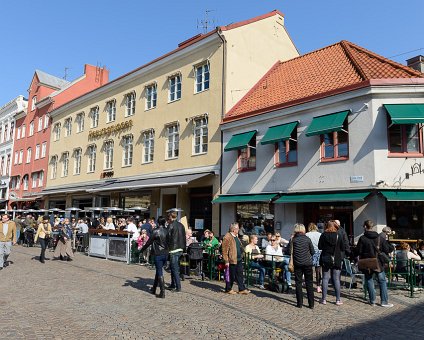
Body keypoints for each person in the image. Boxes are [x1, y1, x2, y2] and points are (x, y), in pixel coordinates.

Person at [356, 220, 394, 307]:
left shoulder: (362, 238)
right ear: (372, 227)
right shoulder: (380, 238)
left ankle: (372, 300)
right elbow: (388, 249)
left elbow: (358, 251)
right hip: (378, 263)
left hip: (367, 262)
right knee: (382, 281)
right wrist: (388, 241)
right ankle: (384, 301)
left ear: (365, 227)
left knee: (369, 280)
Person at [318, 220, 348, 305]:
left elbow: (320, 246)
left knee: (325, 278)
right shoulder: (339, 235)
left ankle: (323, 299)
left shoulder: (323, 235)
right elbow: (343, 247)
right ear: (335, 226)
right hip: (337, 258)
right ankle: (338, 299)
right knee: (336, 279)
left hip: (326, 257)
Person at [140, 216, 169, 298]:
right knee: (158, 270)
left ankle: (162, 292)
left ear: (158, 222)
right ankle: (154, 288)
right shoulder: (167, 231)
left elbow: (149, 242)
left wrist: (142, 250)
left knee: (159, 272)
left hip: (158, 253)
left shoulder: (155, 231)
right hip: (166, 253)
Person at [222, 222, 250, 294]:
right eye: (237, 228)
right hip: (232, 260)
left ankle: (241, 289)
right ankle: (228, 289)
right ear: (234, 229)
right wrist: (226, 261)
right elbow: (224, 251)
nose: (238, 230)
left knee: (240, 274)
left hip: (239, 259)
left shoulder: (236, 236)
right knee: (231, 275)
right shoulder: (227, 237)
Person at [292, 223, 315, 308]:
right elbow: (312, 252)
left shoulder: (293, 240)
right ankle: (311, 304)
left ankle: (300, 303)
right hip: (308, 263)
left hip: (297, 263)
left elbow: (288, 251)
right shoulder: (307, 239)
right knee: (309, 283)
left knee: (298, 283)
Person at [166, 212, 186, 292]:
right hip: (180, 249)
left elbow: (167, 237)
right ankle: (172, 284)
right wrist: (184, 249)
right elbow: (184, 237)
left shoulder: (170, 225)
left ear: (171, 217)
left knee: (174, 269)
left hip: (173, 249)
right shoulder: (181, 225)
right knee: (174, 268)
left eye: (168, 217)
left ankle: (178, 287)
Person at [306, 223, 322, 293]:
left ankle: (309, 284)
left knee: (309, 270)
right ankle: (318, 286)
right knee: (318, 270)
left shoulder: (307, 234)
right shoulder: (319, 234)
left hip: (309, 253)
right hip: (318, 252)